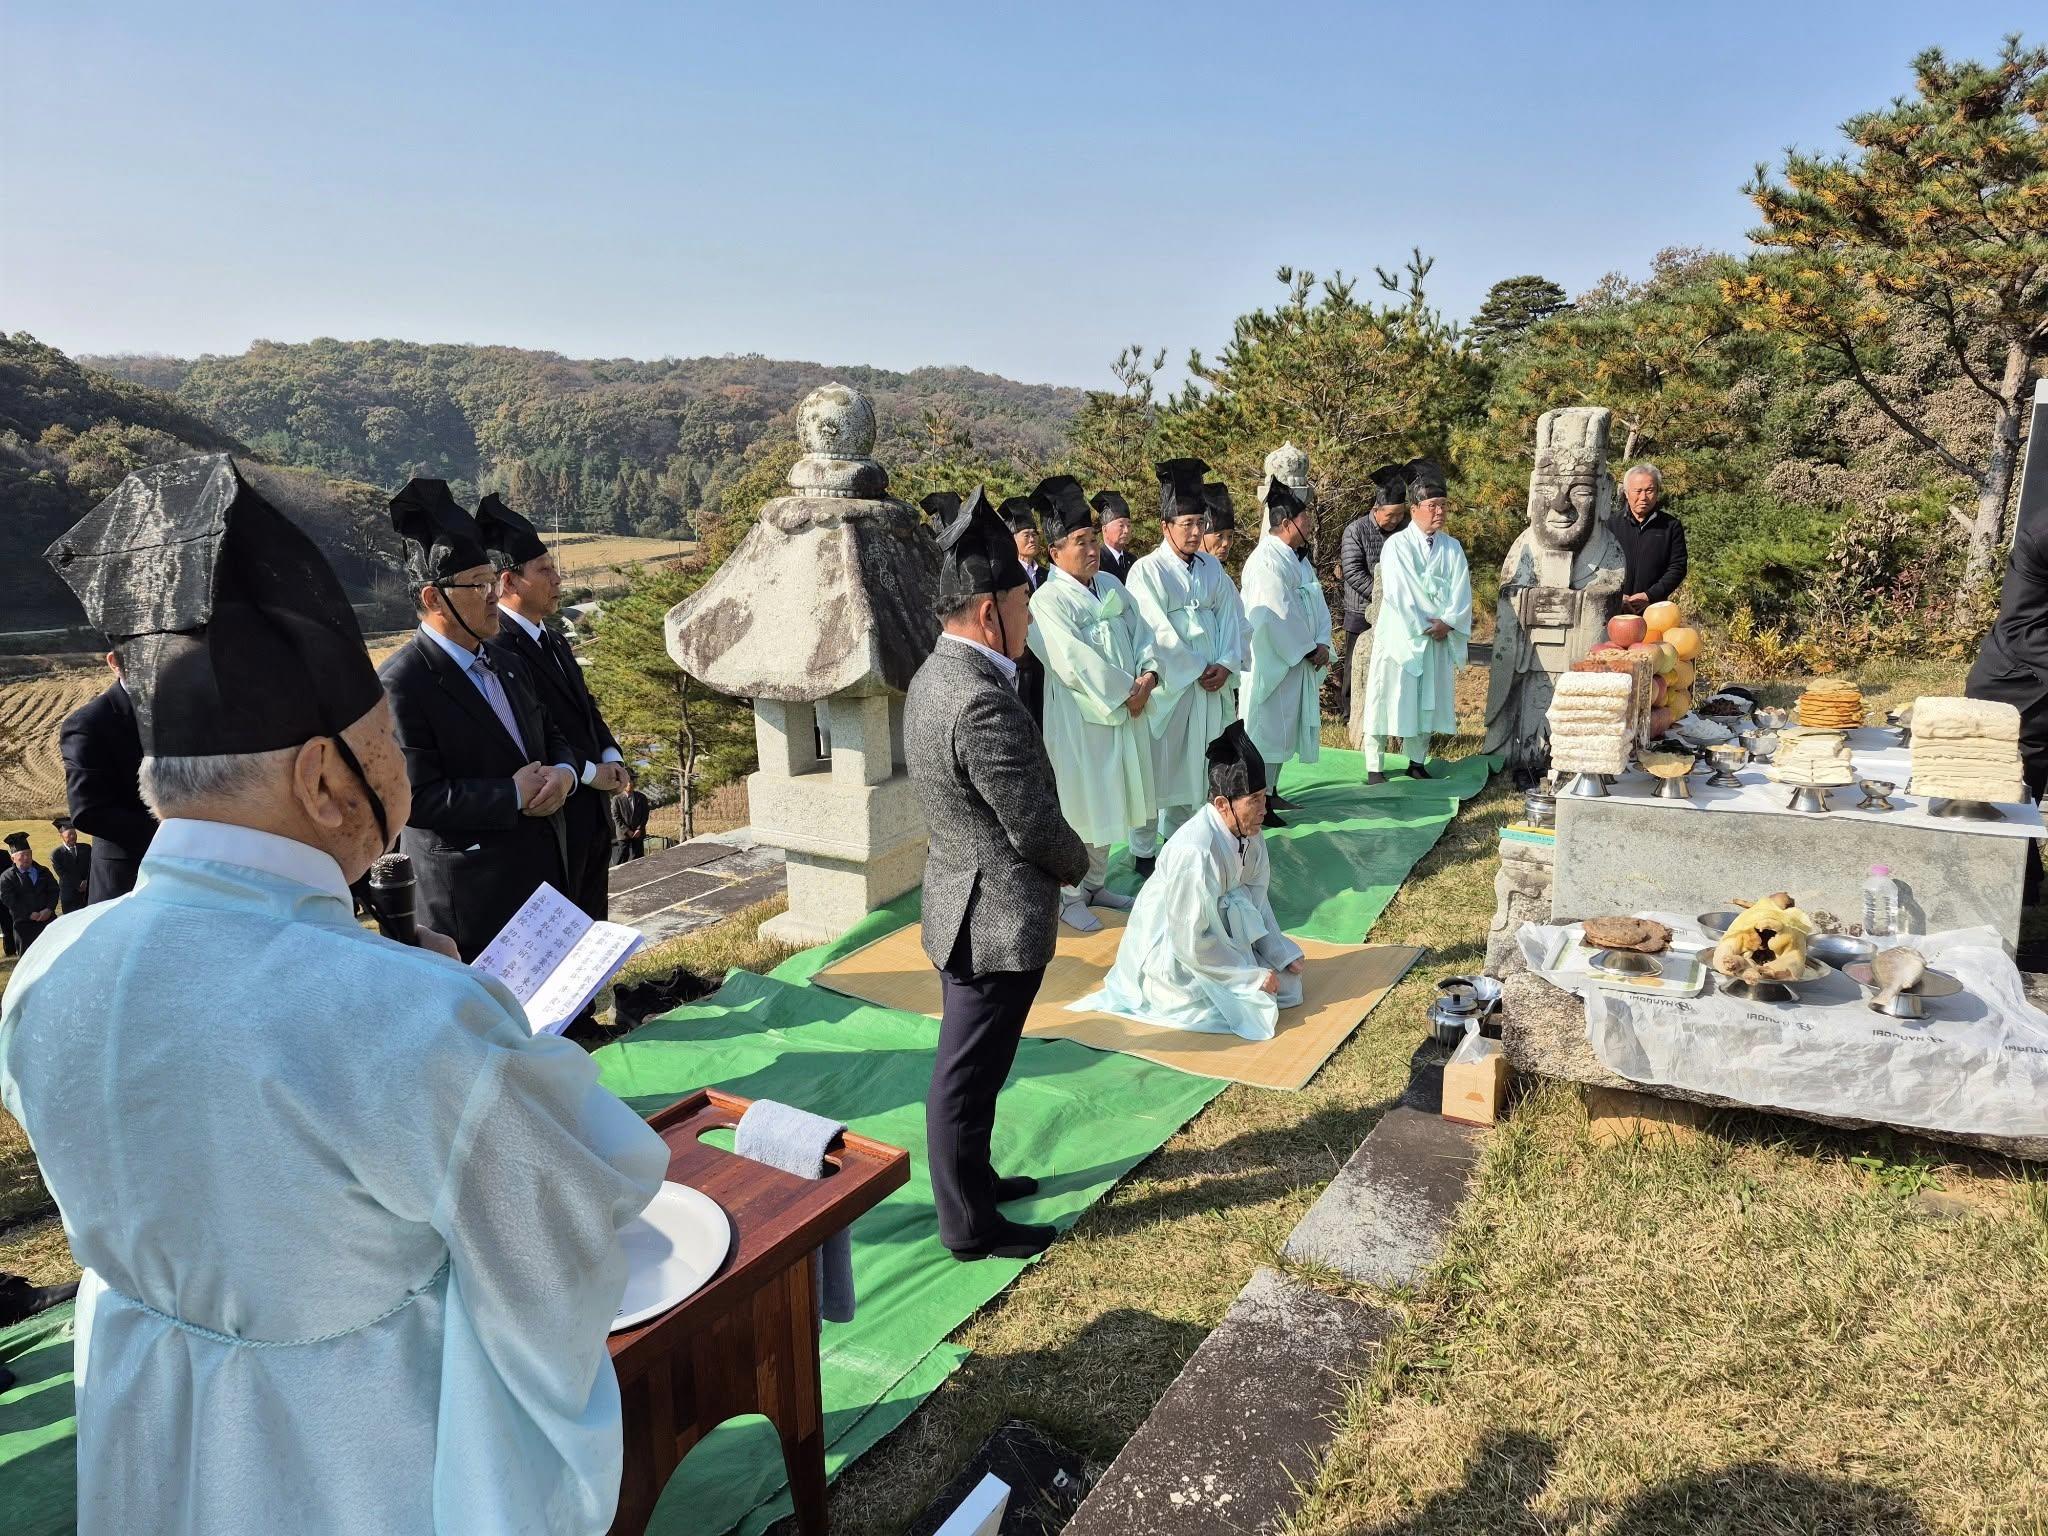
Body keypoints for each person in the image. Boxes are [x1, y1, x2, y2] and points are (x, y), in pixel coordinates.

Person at [8, 453, 666, 1533]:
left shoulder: (51, 969)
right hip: (355, 1452)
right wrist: (484, 1023)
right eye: (383, 748)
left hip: (144, 1419)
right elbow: (575, 1215)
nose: (395, 771)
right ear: (324, 778)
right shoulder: (404, 1014)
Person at [904, 488, 1090, 1262]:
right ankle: (969, 1226)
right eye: (1023, 606)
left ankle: (975, 1182)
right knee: (966, 1077)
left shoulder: (936, 674)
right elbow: (1033, 825)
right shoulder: (980, 700)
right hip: (992, 917)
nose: (1030, 620)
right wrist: (1079, 862)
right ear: (990, 613)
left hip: (961, 900)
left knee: (976, 1071)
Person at [378, 479, 578, 961]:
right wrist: (511, 794)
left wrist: (565, 774)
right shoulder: (402, 682)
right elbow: (415, 799)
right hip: (470, 900)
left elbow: (551, 733)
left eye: (493, 582)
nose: (494, 596)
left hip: (543, 879)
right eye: (479, 585)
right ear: (434, 598)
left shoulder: (506, 661)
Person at [1078, 721, 1304, 1041]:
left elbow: (1257, 899)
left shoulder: (1250, 832)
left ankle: (1243, 969)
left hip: (1221, 936)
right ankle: (1168, 988)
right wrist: (1247, 977)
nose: (1263, 809)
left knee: (1288, 986)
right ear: (1222, 805)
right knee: (1256, 1007)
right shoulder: (1194, 852)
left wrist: (1279, 951)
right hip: (1174, 951)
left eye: (1262, 797)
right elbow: (1189, 940)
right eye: (1253, 800)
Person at [477, 493, 628, 928]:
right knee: (562, 929)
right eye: (544, 571)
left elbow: (585, 707)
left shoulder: (554, 638)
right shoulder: (499, 648)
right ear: (509, 582)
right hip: (556, 811)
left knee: (593, 925)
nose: (558, 579)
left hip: (593, 807)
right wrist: (589, 772)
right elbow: (533, 731)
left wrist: (612, 756)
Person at [1025, 475, 1158, 933]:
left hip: (1125, 712)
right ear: (1054, 551)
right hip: (1082, 720)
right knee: (1080, 805)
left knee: (1113, 798)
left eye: (1092, 539)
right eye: (1079, 541)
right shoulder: (1047, 600)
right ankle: (1068, 895)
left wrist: (1149, 676)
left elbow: (1144, 633)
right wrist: (1127, 692)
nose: (1091, 549)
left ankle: (1097, 884)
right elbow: (1071, 662)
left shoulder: (1110, 585)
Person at [1125, 458, 1249, 873]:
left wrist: (1227, 663)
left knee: (1200, 769)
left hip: (1210, 686)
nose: (1196, 532)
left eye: (1199, 522)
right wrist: (1196, 668)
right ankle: (1143, 851)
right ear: (1165, 526)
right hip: (1172, 689)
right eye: (1186, 524)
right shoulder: (1147, 571)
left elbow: (1232, 618)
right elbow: (1153, 630)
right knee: (1160, 770)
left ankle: (1187, 841)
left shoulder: (1213, 568)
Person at [1357, 459, 1473, 783]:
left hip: (1437, 636)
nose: (1439, 512)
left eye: (1443, 505)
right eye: (1432, 505)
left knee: (1426, 702)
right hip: (1402, 636)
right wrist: (1426, 624)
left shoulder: (1452, 548)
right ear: (1414, 509)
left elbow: (1461, 591)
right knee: (1385, 697)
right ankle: (1374, 765)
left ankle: (1417, 761)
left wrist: (1448, 623)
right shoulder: (1396, 545)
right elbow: (1400, 592)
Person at [1240, 477, 1333, 784]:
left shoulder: (1296, 559)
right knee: (1266, 729)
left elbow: (1316, 601)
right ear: (1286, 523)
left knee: (1284, 730)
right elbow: (1276, 613)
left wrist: (1322, 641)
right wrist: (1309, 648)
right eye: (1304, 517)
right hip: (1274, 659)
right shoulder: (1265, 561)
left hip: (1297, 658)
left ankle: (1273, 791)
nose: (1309, 523)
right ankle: (1260, 795)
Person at [57, 652, 157, 902]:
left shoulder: (190, 711)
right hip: (126, 877)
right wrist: (172, 829)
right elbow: (88, 811)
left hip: (196, 871)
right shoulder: (88, 724)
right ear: (114, 662)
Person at [1338, 464, 1408, 732]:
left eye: (1400, 514)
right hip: (1361, 609)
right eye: (1390, 515)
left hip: (1397, 610)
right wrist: (1382, 597)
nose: (1395, 520)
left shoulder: (1405, 531)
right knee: (1355, 665)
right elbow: (1353, 572)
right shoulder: (1355, 530)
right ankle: (1349, 715)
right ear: (1376, 509)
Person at [1612, 463, 1688, 613]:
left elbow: (1677, 567)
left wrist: (1649, 595)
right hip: (1614, 607)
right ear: (1626, 493)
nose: (1643, 497)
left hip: (1654, 609)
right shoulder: (1610, 525)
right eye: (1637, 491)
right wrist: (1617, 595)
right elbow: (1598, 565)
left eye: (1649, 491)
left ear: (1657, 492)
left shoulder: (1671, 526)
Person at [999, 494, 1047, 724]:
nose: (1032, 539)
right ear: (1012, 539)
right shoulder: (1007, 575)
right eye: (1026, 535)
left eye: (1035, 534)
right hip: (1022, 661)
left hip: (1046, 660)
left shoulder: (1047, 574)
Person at [0, 833, 59, 954]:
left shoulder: (43, 871)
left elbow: (54, 890)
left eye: (29, 854)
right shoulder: (7, 877)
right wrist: (28, 914)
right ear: (13, 858)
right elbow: (9, 900)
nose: (26, 858)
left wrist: (49, 909)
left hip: (47, 921)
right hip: (24, 926)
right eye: (22, 855)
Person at [50, 816, 91, 913]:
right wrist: (78, 884)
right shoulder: (56, 854)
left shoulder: (86, 848)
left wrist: (87, 881)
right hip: (70, 896)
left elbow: (92, 866)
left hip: (88, 892)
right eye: (69, 834)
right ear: (61, 836)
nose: (73, 836)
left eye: (74, 833)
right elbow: (63, 874)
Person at [611, 766, 652, 864]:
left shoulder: (641, 797)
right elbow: (616, 817)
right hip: (623, 834)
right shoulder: (616, 799)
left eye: (632, 781)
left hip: (638, 833)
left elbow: (645, 815)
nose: (630, 783)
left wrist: (639, 829)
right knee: (622, 856)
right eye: (628, 781)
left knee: (638, 858)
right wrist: (627, 831)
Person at [1094, 490, 1137, 582]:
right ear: (1105, 529)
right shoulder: (1097, 560)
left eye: (1128, 525)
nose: (1126, 530)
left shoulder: (1132, 560)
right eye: (1121, 525)